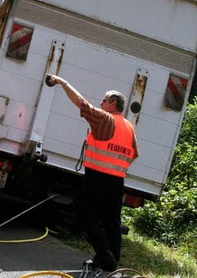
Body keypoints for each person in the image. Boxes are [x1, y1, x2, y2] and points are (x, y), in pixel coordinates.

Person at [45, 74, 139, 271]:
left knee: (83, 212)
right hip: (117, 180)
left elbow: (81, 103)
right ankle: (112, 262)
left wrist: (63, 82)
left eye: (104, 100)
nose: (101, 103)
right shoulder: (128, 126)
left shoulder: (105, 119)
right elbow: (134, 154)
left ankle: (104, 253)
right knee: (111, 219)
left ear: (112, 103)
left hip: (98, 177)